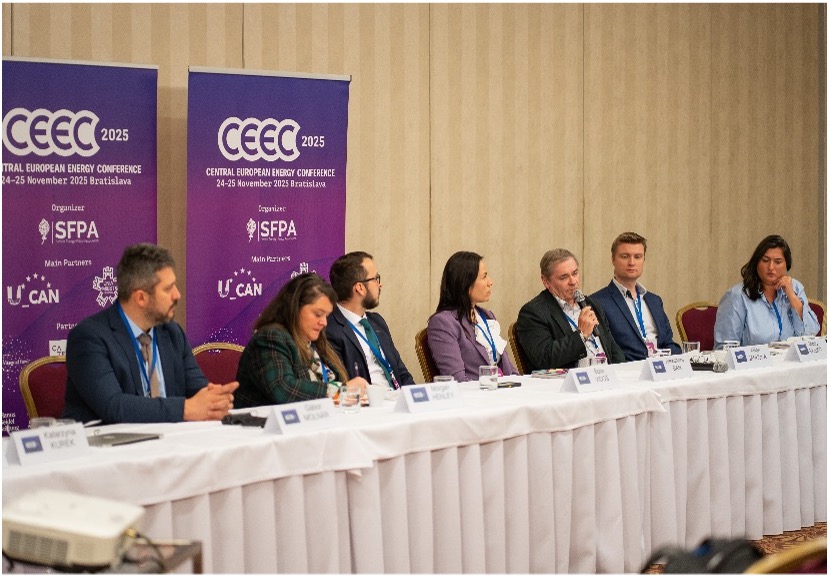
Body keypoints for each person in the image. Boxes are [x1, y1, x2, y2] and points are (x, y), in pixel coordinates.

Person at [63, 244, 238, 424]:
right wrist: (185, 409)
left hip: (172, 439)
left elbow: (198, 389)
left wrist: (214, 400)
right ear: (141, 298)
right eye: (168, 288)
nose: (177, 295)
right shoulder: (89, 337)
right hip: (110, 440)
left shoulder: (172, 333)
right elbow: (114, 407)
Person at [235, 273, 369, 407]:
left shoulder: (315, 343)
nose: (324, 322)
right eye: (318, 314)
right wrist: (339, 390)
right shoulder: (270, 338)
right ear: (295, 308)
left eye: (326, 316)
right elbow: (283, 389)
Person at [516, 248, 625, 370]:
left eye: (575, 273)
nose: (573, 281)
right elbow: (544, 358)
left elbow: (613, 349)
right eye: (564, 277)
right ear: (546, 282)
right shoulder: (533, 313)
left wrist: (622, 372)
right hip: (570, 380)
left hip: (605, 375)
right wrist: (581, 336)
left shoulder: (591, 304)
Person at [326, 251, 415, 388]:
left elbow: (402, 373)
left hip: (396, 397)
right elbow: (342, 386)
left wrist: (415, 397)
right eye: (375, 279)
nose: (380, 284)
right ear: (360, 288)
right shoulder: (331, 330)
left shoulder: (377, 321)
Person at [714, 234, 819, 347]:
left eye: (778, 262)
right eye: (765, 260)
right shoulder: (736, 296)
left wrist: (791, 296)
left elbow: (811, 334)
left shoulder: (795, 288)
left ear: (787, 265)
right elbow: (724, 348)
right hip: (755, 358)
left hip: (791, 358)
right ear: (756, 263)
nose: (771, 267)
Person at [427, 251, 517, 381]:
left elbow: (510, 370)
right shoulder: (443, 323)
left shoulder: (487, 316)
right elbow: (457, 379)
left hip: (502, 388)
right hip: (477, 392)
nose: (490, 282)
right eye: (484, 277)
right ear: (466, 284)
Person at [590, 232, 681, 360]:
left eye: (638, 257)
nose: (632, 262)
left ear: (644, 260)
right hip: (629, 370)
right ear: (613, 260)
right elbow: (607, 351)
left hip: (661, 367)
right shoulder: (597, 302)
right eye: (625, 256)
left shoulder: (655, 301)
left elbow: (668, 343)